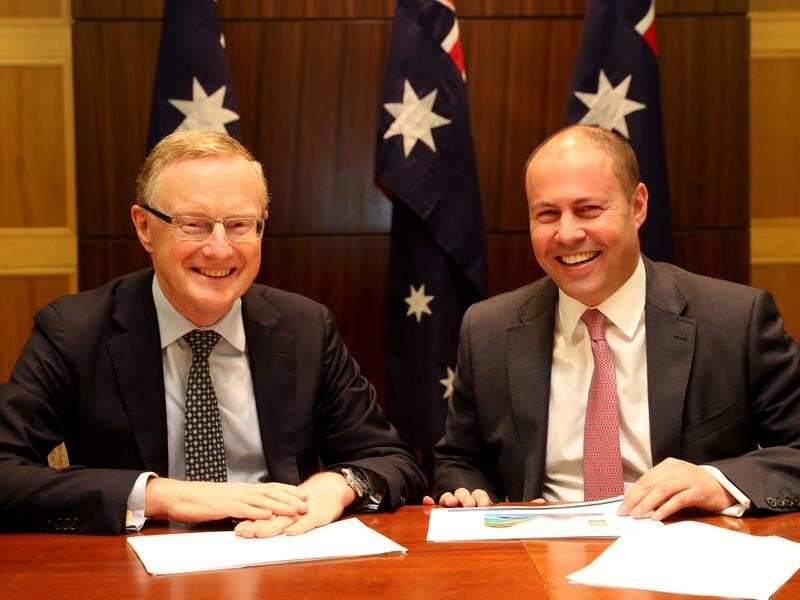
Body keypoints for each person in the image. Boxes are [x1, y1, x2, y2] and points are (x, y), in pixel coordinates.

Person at [0, 130, 425, 535]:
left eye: (240, 225)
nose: (220, 249)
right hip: (138, 568)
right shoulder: (74, 331)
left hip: (278, 557)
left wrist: (335, 486)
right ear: (145, 227)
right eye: (194, 224)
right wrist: (161, 495)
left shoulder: (305, 327)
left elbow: (391, 459)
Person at [428, 125, 800, 519]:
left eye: (588, 210)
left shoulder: (734, 320)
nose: (568, 234)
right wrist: (468, 492)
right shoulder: (487, 329)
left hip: (681, 556)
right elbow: (458, 460)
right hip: (537, 557)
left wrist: (717, 481)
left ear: (638, 206)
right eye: (547, 215)